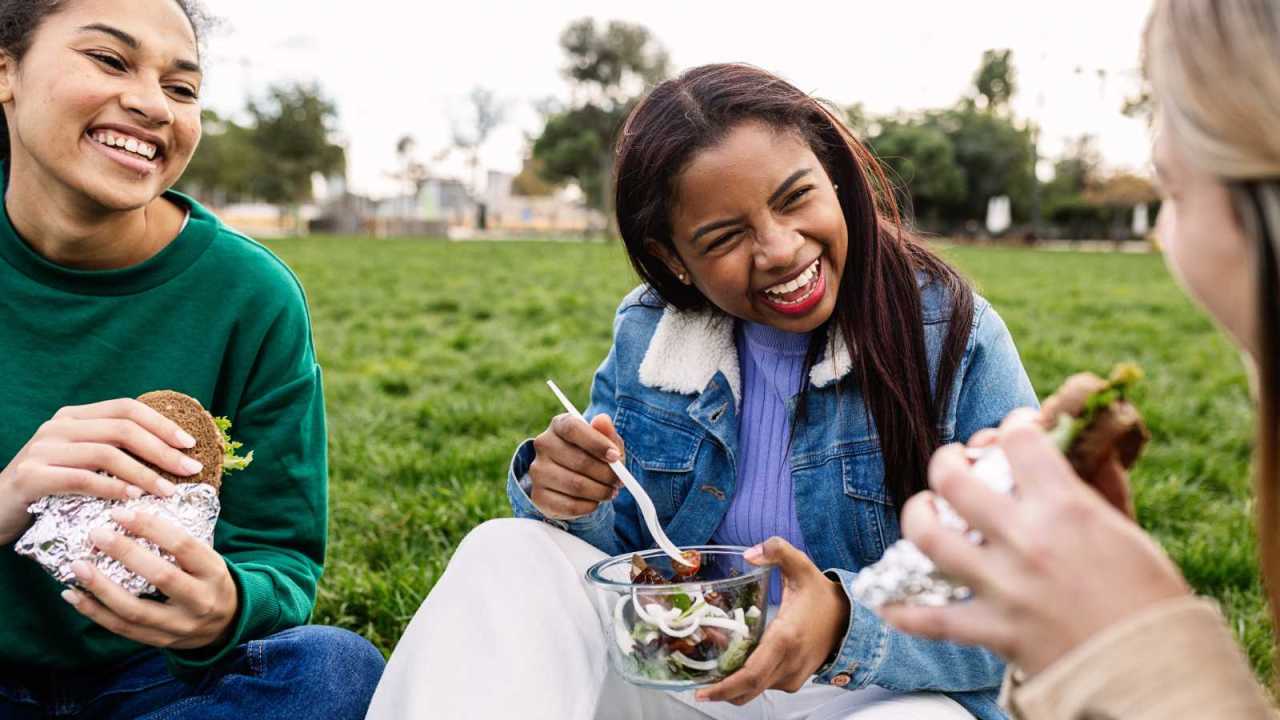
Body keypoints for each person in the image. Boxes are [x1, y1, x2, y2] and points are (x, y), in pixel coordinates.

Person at [368, 63, 1037, 720]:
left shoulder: (951, 333)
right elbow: (623, 554)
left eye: (796, 197)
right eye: (725, 236)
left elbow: (1033, 602)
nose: (779, 248)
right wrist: (572, 500)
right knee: (505, 550)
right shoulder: (652, 332)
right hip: (687, 677)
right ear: (671, 261)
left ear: (835, 177)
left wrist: (839, 623)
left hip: (879, 691)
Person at [881, 1, 1280, 718]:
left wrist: (1138, 653)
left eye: (1173, 189)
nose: (1164, 233)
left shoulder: (955, 322)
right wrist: (1081, 638)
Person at [0, 1, 384, 717]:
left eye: (181, 88)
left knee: (336, 671)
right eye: (110, 61)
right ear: (6, 72)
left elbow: (281, 552)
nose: (152, 105)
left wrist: (225, 608)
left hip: (155, 683)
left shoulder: (251, 296)